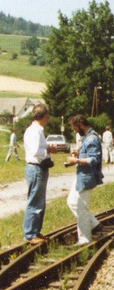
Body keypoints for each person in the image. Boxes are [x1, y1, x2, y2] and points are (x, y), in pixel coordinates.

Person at [65, 115, 103, 244]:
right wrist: (79, 152)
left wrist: (75, 160)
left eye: (75, 128)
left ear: (81, 124)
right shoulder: (87, 137)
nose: (75, 130)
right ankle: (93, 224)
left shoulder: (92, 138)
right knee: (71, 201)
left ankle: (85, 239)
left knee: (81, 207)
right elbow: (88, 153)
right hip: (81, 175)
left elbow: (94, 159)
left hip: (87, 177)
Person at [22, 103, 51, 244]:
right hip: (36, 168)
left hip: (38, 168)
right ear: (44, 116)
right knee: (35, 201)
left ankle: (35, 231)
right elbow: (35, 151)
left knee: (39, 201)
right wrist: (47, 153)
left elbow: (38, 148)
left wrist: (47, 148)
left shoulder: (36, 130)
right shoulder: (35, 131)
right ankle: (30, 234)